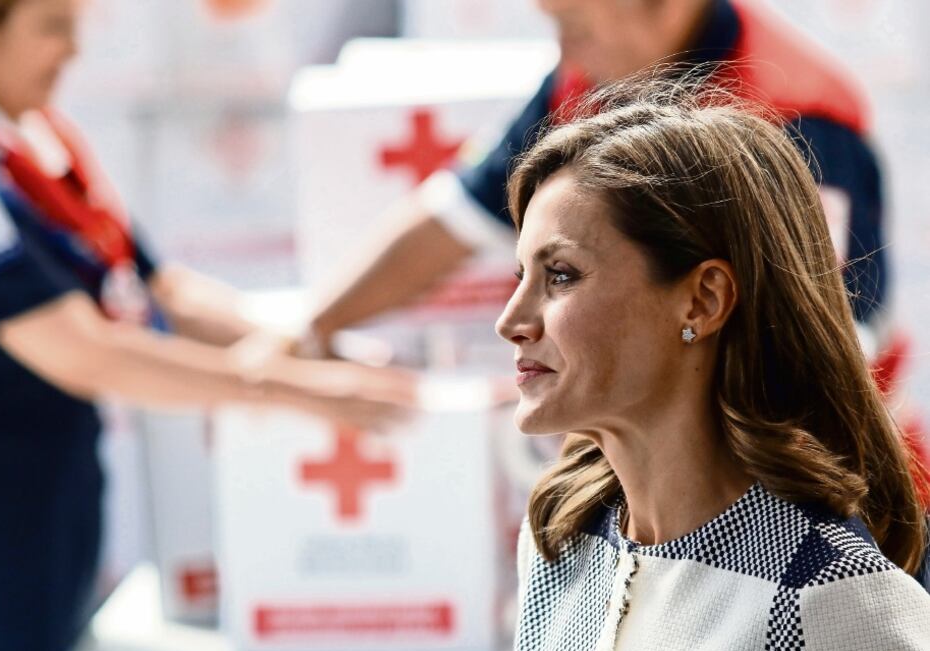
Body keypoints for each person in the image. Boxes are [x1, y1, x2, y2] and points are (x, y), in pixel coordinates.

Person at [0, 1, 412, 651]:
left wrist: (318, 344)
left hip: (49, 501)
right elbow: (85, 354)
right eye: (51, 29)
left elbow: (156, 291)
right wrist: (297, 388)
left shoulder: (36, 147)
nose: (73, 51)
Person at [495, 74, 930, 651]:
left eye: (561, 275)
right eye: (522, 276)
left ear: (703, 300)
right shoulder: (562, 534)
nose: (511, 320)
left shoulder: (832, 600)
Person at [304, 0, 893, 385]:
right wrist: (313, 331)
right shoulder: (585, 82)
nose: (564, 54)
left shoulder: (796, 122)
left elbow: (826, 348)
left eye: (573, 28)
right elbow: (452, 220)